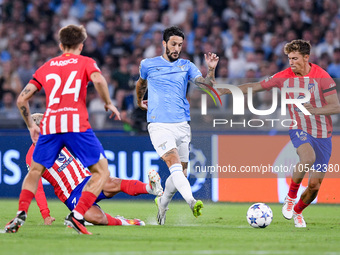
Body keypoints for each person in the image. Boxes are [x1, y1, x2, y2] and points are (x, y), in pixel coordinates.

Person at [6, 25, 120, 235]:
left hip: (50, 125)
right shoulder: (86, 62)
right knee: (102, 171)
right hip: (76, 124)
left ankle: (20, 214)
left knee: (35, 171)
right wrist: (108, 102)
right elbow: (98, 79)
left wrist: (31, 124)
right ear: (81, 45)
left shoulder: (47, 66)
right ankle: (77, 217)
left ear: (60, 45)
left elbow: (22, 98)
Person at [217, 39, 340, 228]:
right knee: (307, 158)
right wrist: (228, 89)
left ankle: (298, 211)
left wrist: (314, 110)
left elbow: (335, 106)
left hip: (323, 134)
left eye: (295, 58)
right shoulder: (284, 76)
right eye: (289, 58)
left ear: (306, 58)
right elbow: (255, 86)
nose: (291, 62)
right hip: (298, 127)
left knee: (314, 187)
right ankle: (290, 197)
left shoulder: (322, 77)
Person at [136, 26, 219, 225]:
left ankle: (162, 205)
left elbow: (207, 86)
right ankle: (192, 202)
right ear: (164, 44)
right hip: (159, 124)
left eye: (180, 45)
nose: (176, 48)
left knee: (181, 173)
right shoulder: (148, 64)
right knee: (173, 164)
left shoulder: (186, 66)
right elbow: (141, 84)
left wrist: (212, 69)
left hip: (182, 124)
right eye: (173, 44)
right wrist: (140, 101)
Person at [26, 113, 163, 227]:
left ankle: (149, 188)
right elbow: (36, 187)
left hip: (88, 180)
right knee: (96, 218)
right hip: (72, 195)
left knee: (112, 183)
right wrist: (46, 215)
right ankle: (122, 221)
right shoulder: (32, 157)